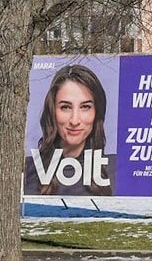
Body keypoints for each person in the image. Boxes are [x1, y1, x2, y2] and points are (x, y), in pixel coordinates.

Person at [24, 64, 115, 196]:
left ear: (97, 112)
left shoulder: (115, 169)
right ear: (52, 110)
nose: (74, 120)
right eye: (66, 107)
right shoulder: (28, 169)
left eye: (85, 107)